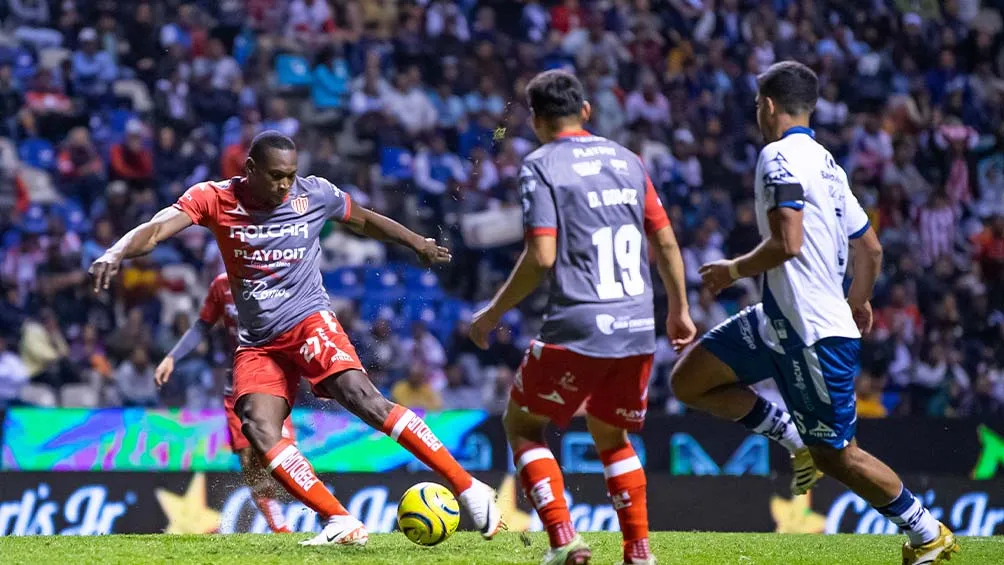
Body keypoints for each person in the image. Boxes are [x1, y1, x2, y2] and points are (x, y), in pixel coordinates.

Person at [89, 131, 501, 546]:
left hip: (308, 321)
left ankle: (469, 488)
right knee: (258, 427)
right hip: (258, 342)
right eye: (275, 176)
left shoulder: (313, 194)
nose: (285, 185)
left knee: (363, 399)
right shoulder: (213, 198)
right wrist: (116, 252)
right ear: (249, 170)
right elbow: (158, 228)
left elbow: (363, 219)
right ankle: (339, 520)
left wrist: (417, 243)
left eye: (291, 175)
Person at [669, 61, 959, 565]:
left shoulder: (777, 156)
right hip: (779, 318)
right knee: (688, 381)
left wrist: (732, 270)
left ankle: (926, 531)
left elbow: (788, 240)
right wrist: (860, 299)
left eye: (758, 104)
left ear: (769, 105)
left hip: (812, 333)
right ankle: (791, 438)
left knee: (838, 455)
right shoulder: (828, 165)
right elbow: (870, 249)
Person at [469, 70, 696, 565]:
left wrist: (491, 313)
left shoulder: (540, 164)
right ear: (586, 111)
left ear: (535, 120)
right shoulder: (629, 160)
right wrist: (678, 308)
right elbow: (665, 241)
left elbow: (542, 256)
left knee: (523, 425)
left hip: (579, 324)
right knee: (612, 435)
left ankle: (563, 541)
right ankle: (638, 553)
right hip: (638, 325)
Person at [154, 272, 294, 533]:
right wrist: (173, 356)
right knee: (248, 458)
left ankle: (325, 510)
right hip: (236, 386)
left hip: (270, 381)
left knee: (277, 454)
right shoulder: (221, 284)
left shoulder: (276, 279)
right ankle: (281, 527)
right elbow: (202, 325)